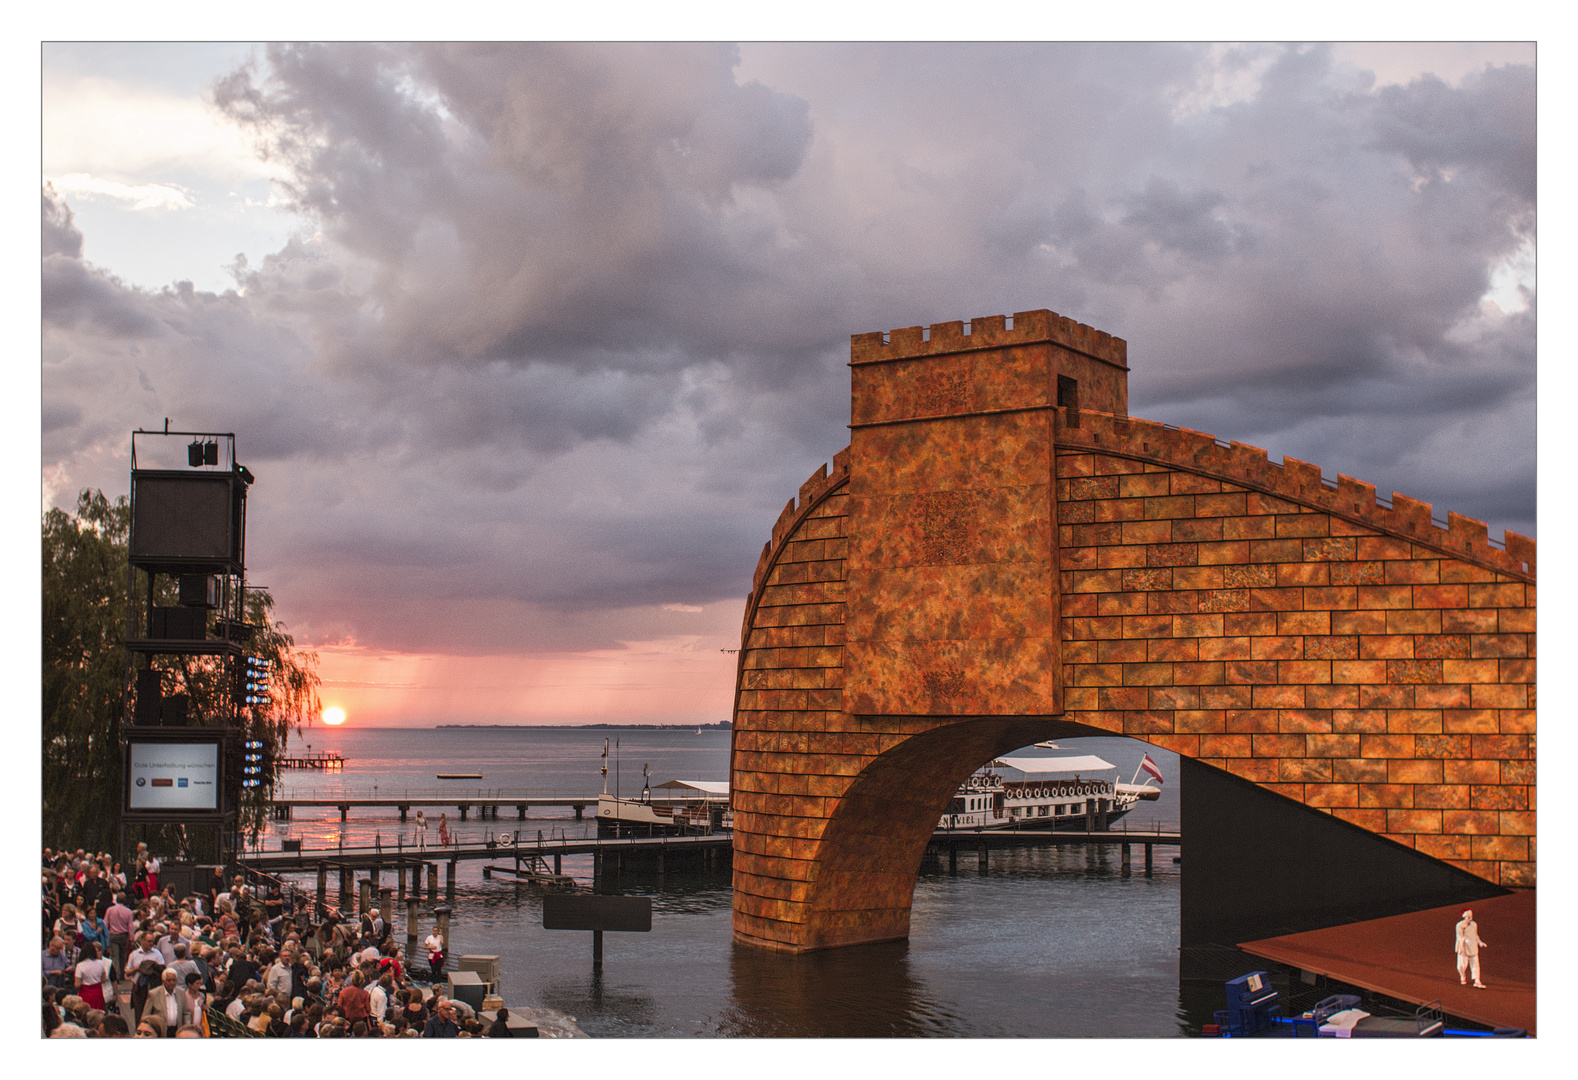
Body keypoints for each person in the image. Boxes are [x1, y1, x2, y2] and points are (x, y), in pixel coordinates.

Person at [73, 941, 114, 1012]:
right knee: (98, 1010)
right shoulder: (100, 963)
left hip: (85, 992)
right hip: (97, 991)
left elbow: (77, 984)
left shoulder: (80, 965)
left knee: (85, 1011)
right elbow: (103, 979)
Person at [1456, 907, 1487, 988]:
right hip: (1464, 948)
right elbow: (1459, 936)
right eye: (1468, 917)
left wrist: (1480, 942)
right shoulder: (1459, 925)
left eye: (1471, 917)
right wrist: (1465, 940)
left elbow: (1475, 935)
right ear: (1465, 917)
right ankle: (1462, 976)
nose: (1470, 919)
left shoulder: (1474, 924)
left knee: (1475, 964)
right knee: (1462, 965)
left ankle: (1477, 980)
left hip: (1473, 947)